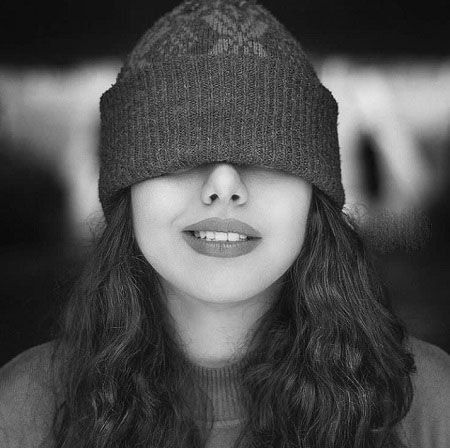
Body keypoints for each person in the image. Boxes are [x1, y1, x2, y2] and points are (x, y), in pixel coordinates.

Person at [1, 0, 449, 447]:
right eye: (179, 149)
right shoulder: (20, 410)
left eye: (267, 151)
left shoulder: (429, 403)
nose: (223, 186)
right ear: (128, 190)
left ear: (315, 195)